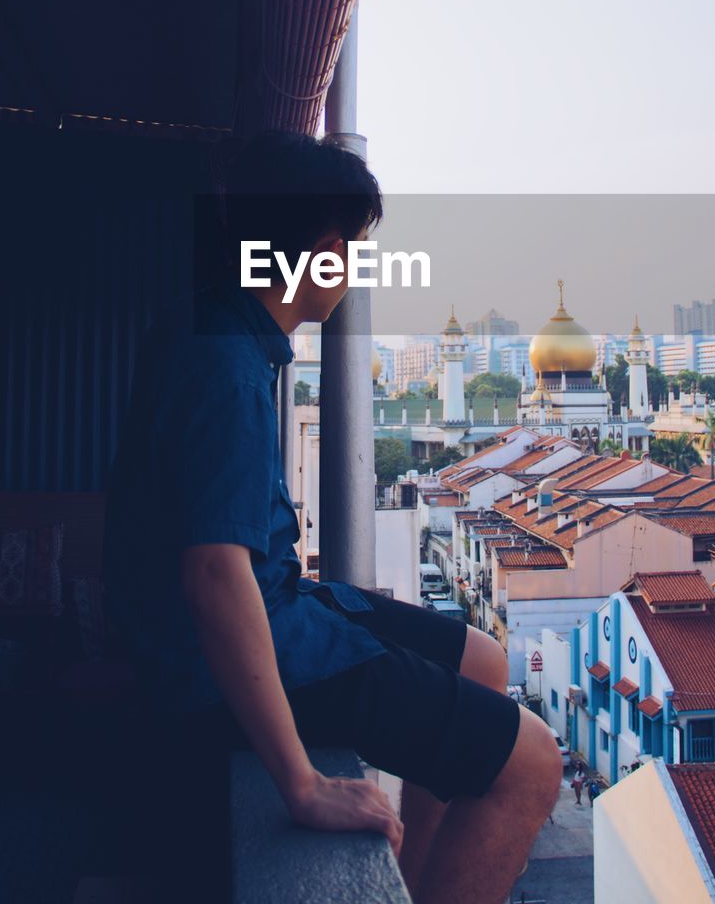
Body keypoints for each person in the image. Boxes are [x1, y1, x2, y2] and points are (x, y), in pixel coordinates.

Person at [104, 131, 562, 904]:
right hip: (217, 658)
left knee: (481, 659)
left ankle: (410, 887)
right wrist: (302, 784)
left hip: (268, 607)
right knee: (532, 763)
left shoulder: (218, 332)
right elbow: (216, 575)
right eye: (353, 249)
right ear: (320, 252)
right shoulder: (224, 365)